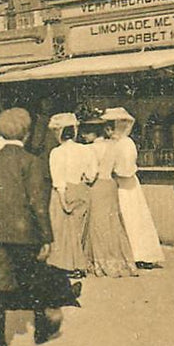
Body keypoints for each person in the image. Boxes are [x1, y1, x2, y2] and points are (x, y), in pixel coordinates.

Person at [0, 108, 80, 346]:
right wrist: (47, 237)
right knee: (32, 280)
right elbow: (38, 203)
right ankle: (40, 329)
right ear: (25, 132)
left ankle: (0, 343)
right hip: (24, 233)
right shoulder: (31, 162)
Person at [103, 107, 164, 269]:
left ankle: (140, 254)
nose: (108, 131)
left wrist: (112, 172)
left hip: (125, 186)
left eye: (110, 127)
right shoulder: (118, 143)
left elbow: (126, 170)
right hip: (123, 185)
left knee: (132, 218)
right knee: (129, 219)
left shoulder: (125, 144)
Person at [46, 113, 98, 277]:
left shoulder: (57, 152)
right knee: (79, 229)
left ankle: (69, 265)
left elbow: (58, 180)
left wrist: (63, 200)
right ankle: (80, 263)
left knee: (63, 230)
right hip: (81, 189)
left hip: (64, 190)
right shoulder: (86, 150)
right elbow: (91, 174)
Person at [85, 116, 137, 277]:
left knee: (98, 224)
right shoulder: (114, 146)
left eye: (87, 132)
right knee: (113, 223)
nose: (84, 136)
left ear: (94, 133)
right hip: (111, 185)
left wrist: (84, 178)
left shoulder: (90, 149)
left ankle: (101, 262)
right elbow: (120, 168)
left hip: (98, 186)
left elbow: (91, 174)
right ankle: (122, 261)